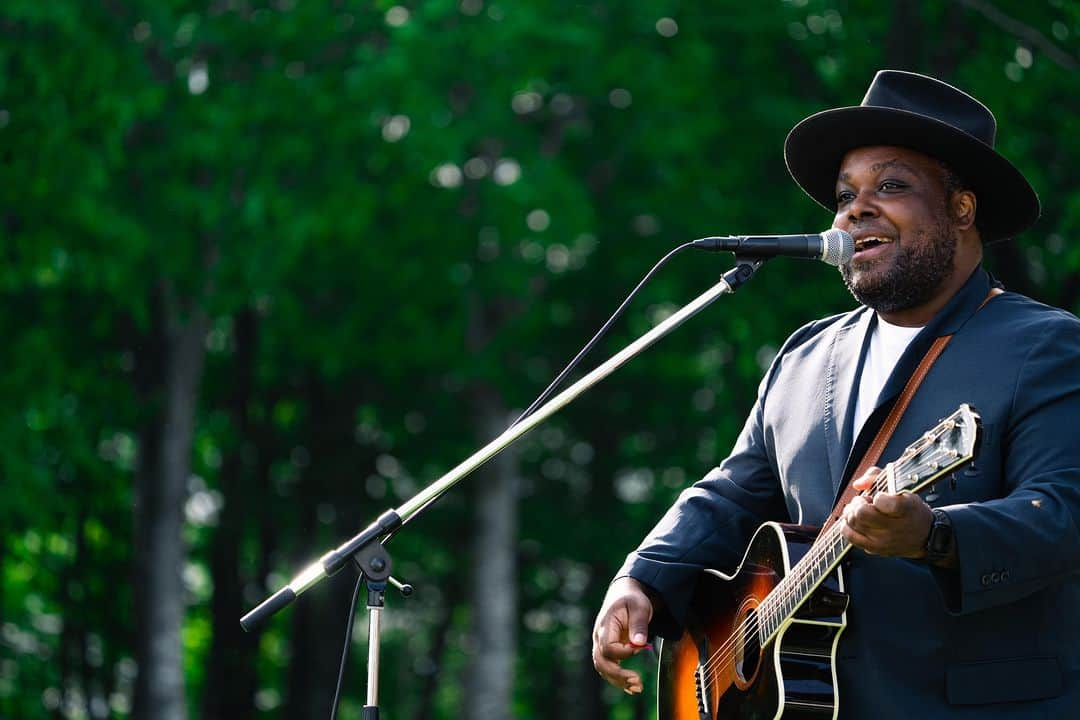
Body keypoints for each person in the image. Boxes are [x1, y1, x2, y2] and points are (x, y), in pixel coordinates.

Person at [592, 70, 1080, 718]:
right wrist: (643, 580)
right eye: (846, 194)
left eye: (892, 186)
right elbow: (730, 494)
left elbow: (1063, 516)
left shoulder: (1045, 346)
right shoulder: (804, 357)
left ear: (963, 208)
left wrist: (932, 534)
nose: (855, 209)